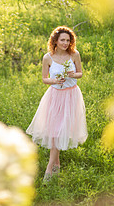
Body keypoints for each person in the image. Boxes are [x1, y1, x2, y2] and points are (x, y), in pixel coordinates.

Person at [26, 26, 88, 182]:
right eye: (63, 40)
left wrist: (74, 74)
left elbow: (80, 73)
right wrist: (53, 80)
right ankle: (56, 167)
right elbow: (44, 78)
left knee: (61, 131)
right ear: (55, 41)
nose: (66, 43)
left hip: (71, 95)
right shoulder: (48, 57)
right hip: (54, 96)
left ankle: (49, 169)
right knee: (54, 131)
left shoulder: (74, 55)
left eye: (68, 40)